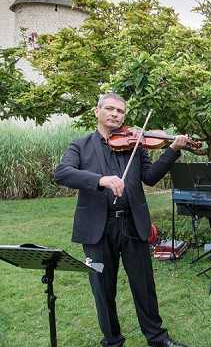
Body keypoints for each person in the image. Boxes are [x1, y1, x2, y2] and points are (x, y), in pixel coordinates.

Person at [55, 93, 189, 347]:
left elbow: (149, 177)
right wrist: (100, 180)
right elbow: (62, 173)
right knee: (102, 288)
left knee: (144, 285)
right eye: (110, 109)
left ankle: (157, 337)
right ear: (97, 111)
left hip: (132, 224)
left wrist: (171, 150)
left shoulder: (136, 146)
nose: (115, 114)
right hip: (97, 229)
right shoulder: (80, 146)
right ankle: (113, 340)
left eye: (120, 111)